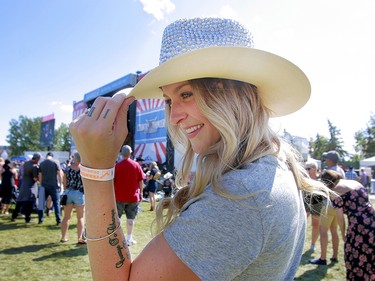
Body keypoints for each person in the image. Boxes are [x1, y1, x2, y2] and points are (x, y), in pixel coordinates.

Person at [69, 17, 331, 280]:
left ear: (235, 94)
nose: (174, 118)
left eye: (186, 94)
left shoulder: (242, 196)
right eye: (170, 100)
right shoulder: (273, 168)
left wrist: (96, 170)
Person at [320, 170, 374, 280]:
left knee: (354, 257)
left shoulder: (335, 191)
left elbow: (340, 218)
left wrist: (344, 234)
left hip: (358, 226)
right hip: (372, 220)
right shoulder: (355, 183)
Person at [309, 150, 345, 265]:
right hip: (338, 205)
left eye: (326, 159)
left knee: (323, 230)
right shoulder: (341, 170)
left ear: (330, 160)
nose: (325, 161)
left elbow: (321, 187)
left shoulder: (328, 172)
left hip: (328, 205)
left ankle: (323, 258)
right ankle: (334, 256)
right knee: (334, 231)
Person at [114, 145, 145, 246]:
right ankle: (129, 238)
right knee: (131, 219)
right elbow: (141, 181)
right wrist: (141, 193)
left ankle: (117, 238)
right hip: (133, 197)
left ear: (121, 154)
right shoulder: (136, 165)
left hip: (119, 197)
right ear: (130, 153)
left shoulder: (117, 166)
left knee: (117, 218)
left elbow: (112, 181)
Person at [60, 152, 86, 244]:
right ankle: (80, 238)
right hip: (79, 193)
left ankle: (63, 237)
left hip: (68, 193)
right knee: (80, 217)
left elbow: (64, 182)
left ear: (74, 158)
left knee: (66, 217)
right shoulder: (83, 169)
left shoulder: (67, 169)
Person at [11, 153, 40, 223]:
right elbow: (35, 178)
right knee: (29, 203)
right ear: (36, 159)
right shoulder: (34, 167)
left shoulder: (26, 164)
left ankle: (14, 216)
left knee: (19, 202)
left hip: (23, 185)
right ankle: (28, 218)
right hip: (30, 187)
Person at [38, 152, 63, 225]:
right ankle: (58, 220)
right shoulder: (55, 163)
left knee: (41, 203)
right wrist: (60, 184)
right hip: (53, 185)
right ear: (52, 156)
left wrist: (41, 184)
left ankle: (40, 219)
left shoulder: (42, 163)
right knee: (56, 203)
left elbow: (40, 175)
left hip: (44, 185)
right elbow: (59, 174)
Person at [303, 160, 322, 252]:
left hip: (317, 202)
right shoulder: (304, 179)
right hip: (305, 200)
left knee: (315, 224)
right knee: (302, 223)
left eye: (308, 168)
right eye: (306, 168)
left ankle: (313, 244)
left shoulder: (321, 179)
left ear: (314, 169)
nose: (306, 170)